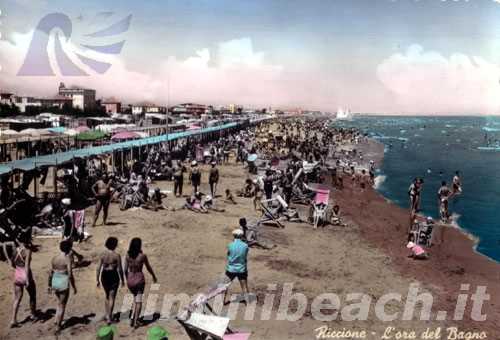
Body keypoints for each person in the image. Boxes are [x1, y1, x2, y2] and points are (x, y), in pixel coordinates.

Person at [124, 238, 157, 329]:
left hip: (130, 279)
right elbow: (148, 267)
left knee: (134, 299)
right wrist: (154, 276)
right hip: (139, 279)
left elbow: (125, 269)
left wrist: (127, 279)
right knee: (138, 301)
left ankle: (132, 318)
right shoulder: (142, 256)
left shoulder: (127, 255)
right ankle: (135, 321)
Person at [49, 240, 77, 334]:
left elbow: (50, 273)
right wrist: (73, 286)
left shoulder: (54, 258)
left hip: (55, 280)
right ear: (69, 249)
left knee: (59, 302)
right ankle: (58, 327)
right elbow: (70, 274)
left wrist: (49, 285)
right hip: (63, 281)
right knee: (62, 305)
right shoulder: (67, 259)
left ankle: (56, 320)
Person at [10, 232, 37, 328]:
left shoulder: (15, 250)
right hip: (26, 275)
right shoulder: (28, 251)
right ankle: (33, 315)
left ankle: (13, 319)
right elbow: (27, 266)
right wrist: (27, 280)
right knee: (32, 295)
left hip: (17, 274)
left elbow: (12, 263)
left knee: (17, 298)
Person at [96, 237, 124, 325]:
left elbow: (98, 268)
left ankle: (107, 314)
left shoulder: (102, 254)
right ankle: (109, 317)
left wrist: (97, 279)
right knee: (112, 297)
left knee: (107, 295)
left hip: (104, 275)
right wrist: (123, 280)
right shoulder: (116, 255)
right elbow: (120, 269)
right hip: (113, 275)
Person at [223, 229, 249, 305]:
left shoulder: (230, 245)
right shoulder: (245, 245)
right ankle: (248, 303)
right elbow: (245, 256)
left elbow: (228, 255)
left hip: (230, 269)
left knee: (225, 286)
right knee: (244, 287)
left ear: (234, 236)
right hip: (242, 269)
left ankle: (223, 301)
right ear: (241, 236)